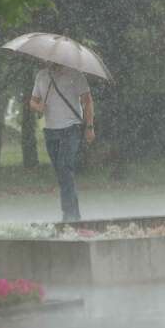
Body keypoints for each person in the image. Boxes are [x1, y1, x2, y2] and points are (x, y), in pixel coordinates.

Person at [29, 63, 95, 222]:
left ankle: (70, 216)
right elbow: (32, 101)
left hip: (71, 129)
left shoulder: (75, 74)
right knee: (62, 173)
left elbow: (88, 101)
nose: (49, 60)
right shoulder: (41, 75)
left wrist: (90, 126)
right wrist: (39, 107)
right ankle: (73, 214)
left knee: (65, 168)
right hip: (50, 131)